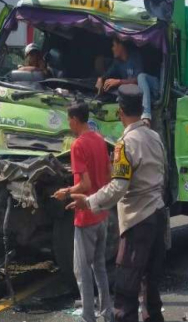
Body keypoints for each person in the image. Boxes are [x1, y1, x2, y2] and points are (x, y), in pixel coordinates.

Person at [66, 84, 167, 322]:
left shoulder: (125, 144)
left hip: (138, 223)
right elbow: (164, 174)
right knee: (151, 288)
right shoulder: (155, 137)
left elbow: (118, 187)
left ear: (120, 111)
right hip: (159, 216)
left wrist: (89, 202)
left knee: (125, 292)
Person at [53, 101, 113, 322]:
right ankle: (107, 313)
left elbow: (85, 184)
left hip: (86, 216)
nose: (68, 122)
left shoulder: (78, 146)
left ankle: (89, 317)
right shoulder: (99, 138)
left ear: (75, 120)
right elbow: (108, 176)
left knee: (81, 271)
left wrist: (66, 192)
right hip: (102, 212)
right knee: (99, 266)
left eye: (68, 119)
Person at [95, 39, 159, 126]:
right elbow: (107, 74)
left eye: (114, 45)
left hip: (153, 87)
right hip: (142, 95)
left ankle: (146, 117)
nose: (112, 48)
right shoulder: (117, 63)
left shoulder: (135, 57)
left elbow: (137, 80)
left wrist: (118, 82)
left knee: (141, 77)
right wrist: (101, 79)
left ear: (121, 46)